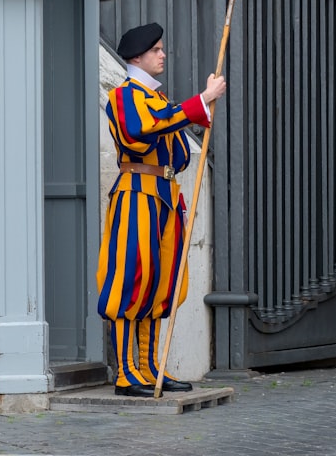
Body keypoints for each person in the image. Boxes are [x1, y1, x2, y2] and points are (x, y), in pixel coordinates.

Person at [96, 22, 227, 397]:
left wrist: (200, 110)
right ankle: (126, 373)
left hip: (165, 197)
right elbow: (142, 130)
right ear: (137, 56)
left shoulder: (159, 100)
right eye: (156, 50)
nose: (162, 54)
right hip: (137, 194)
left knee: (158, 284)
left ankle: (151, 368)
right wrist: (199, 102)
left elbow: (179, 151)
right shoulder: (125, 96)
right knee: (129, 281)